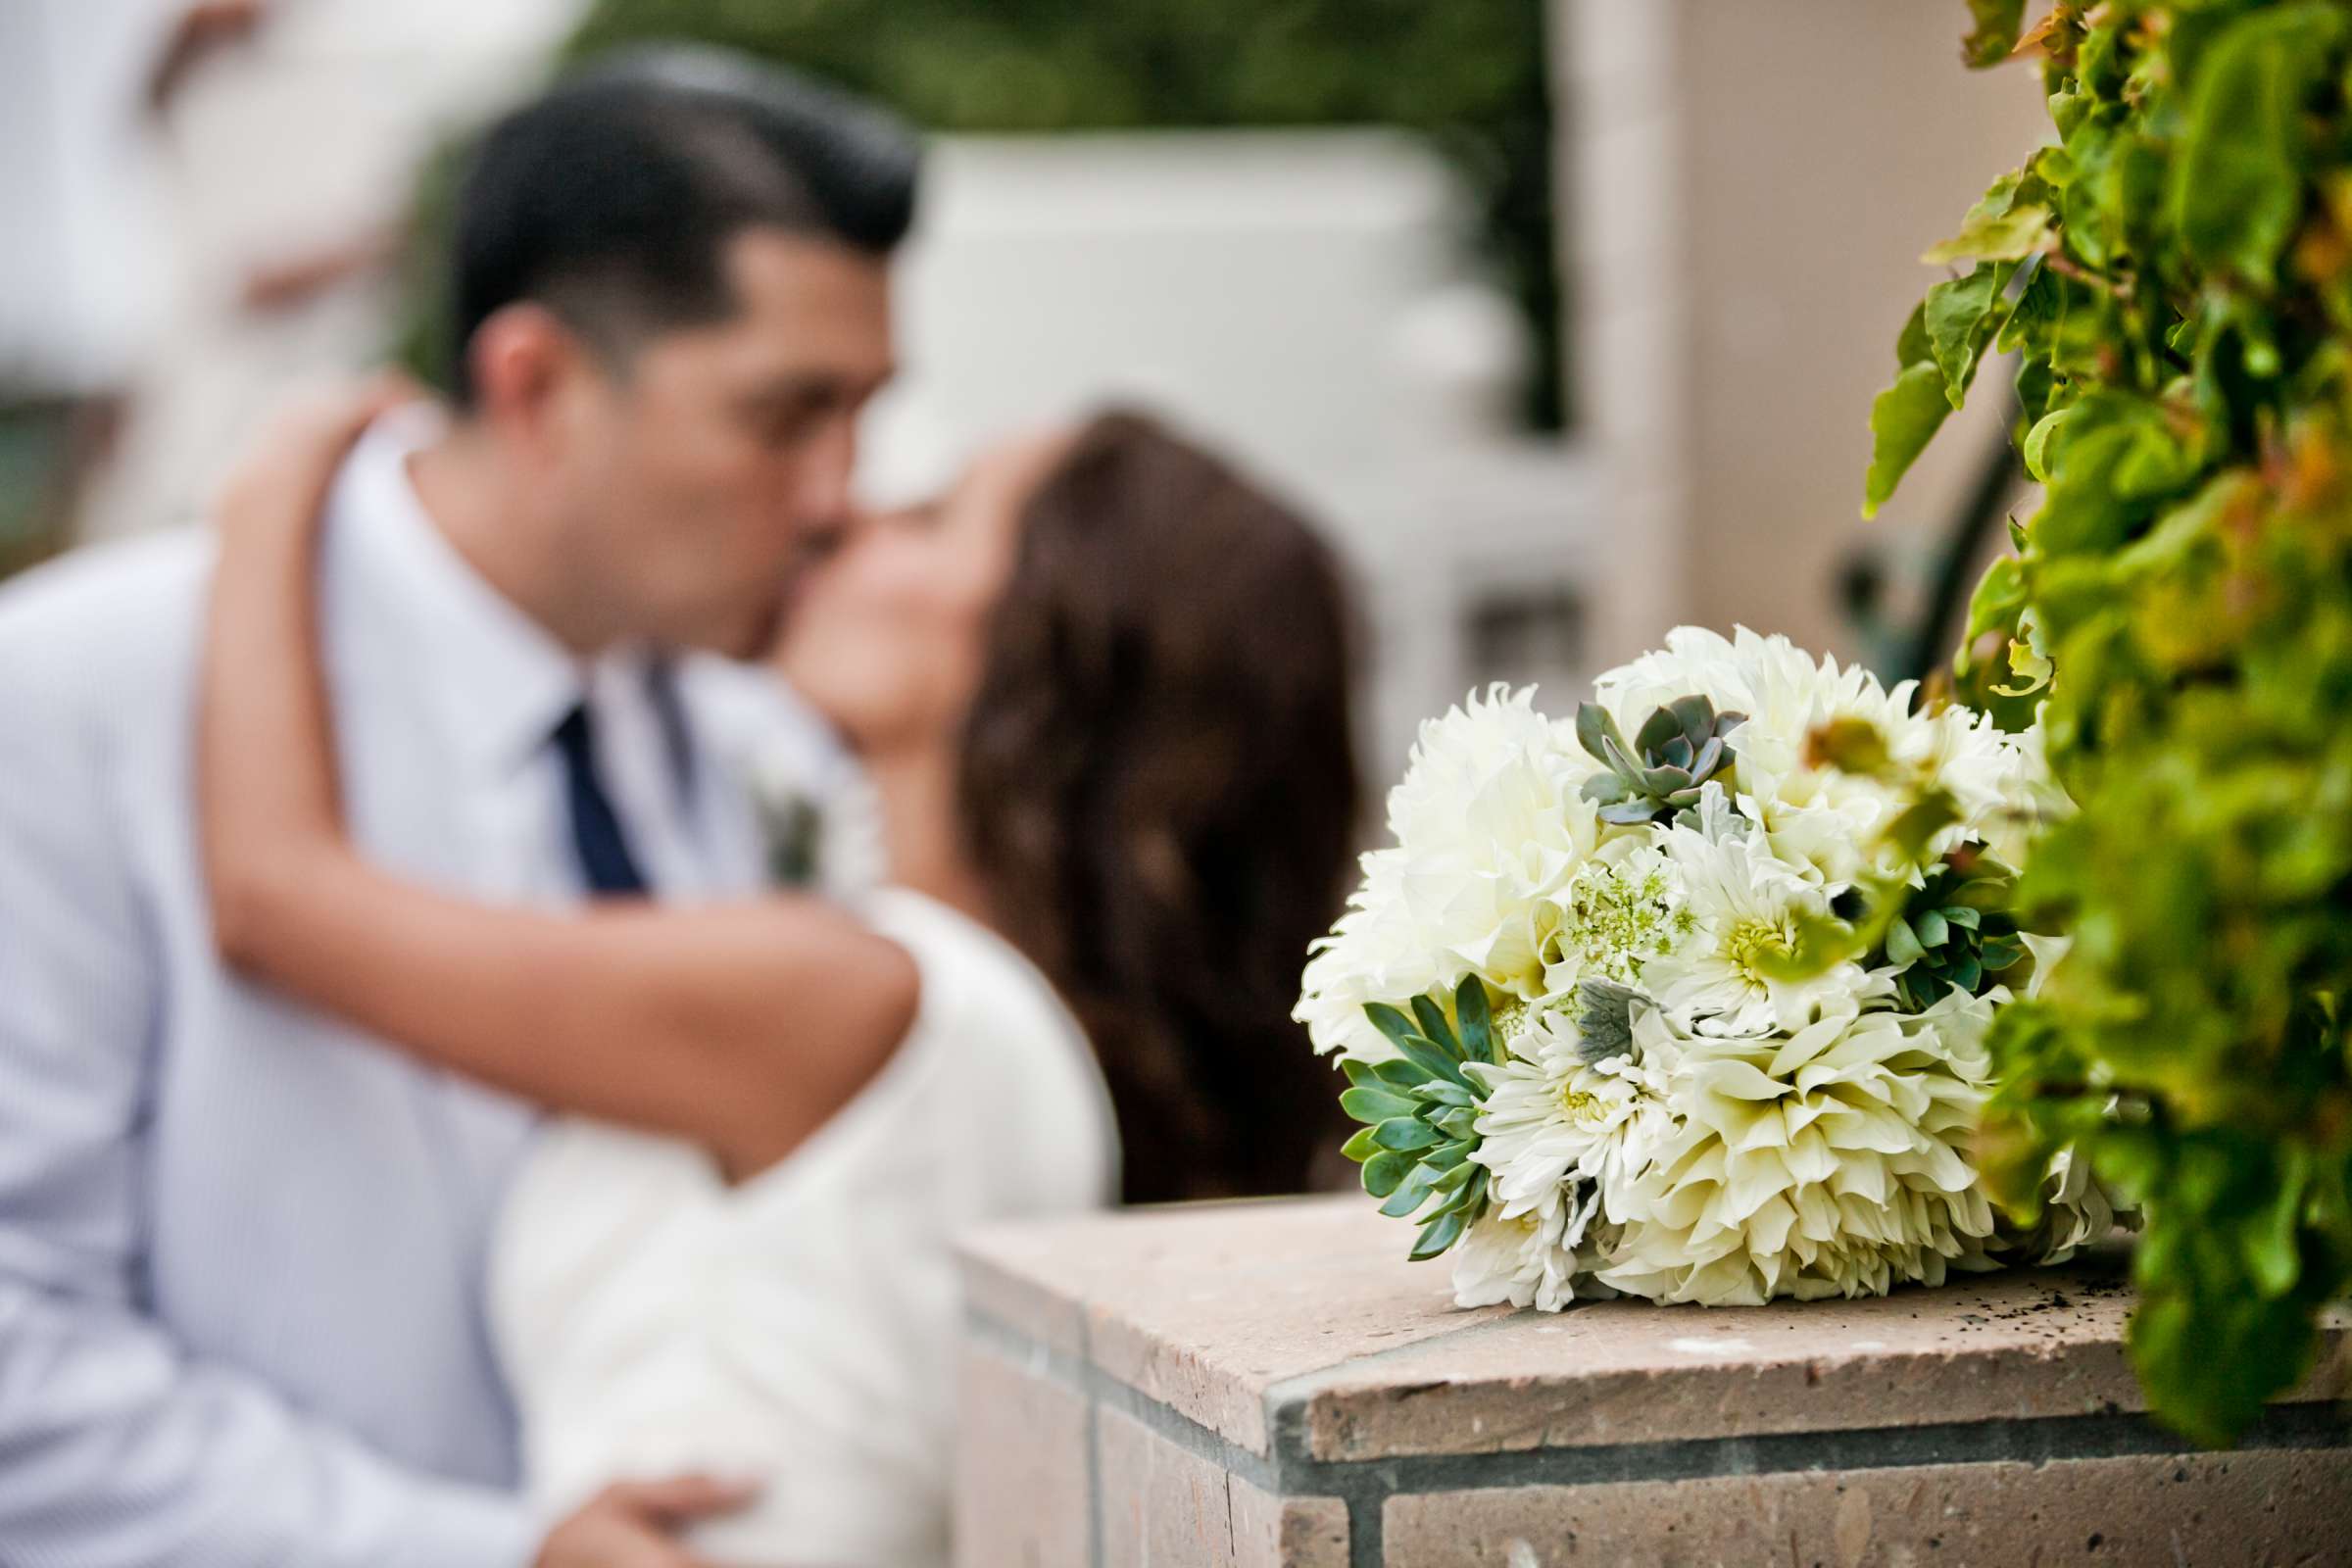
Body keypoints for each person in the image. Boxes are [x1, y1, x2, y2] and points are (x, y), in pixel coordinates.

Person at [0, 51, 923, 1566]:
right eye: (784, 414)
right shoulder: (79, 696)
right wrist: (481, 1548)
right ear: (537, 385)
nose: (839, 494)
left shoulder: (765, 747)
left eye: (864, 414)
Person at [193, 383, 1363, 1563]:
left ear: (1046, 641)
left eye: (932, 518)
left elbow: (277, 900)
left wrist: (272, 490)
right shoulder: (999, 1027)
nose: (849, 518)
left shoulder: (859, 1001)